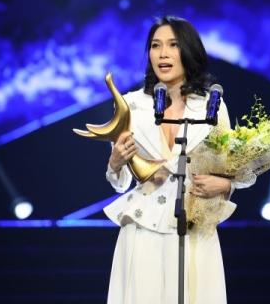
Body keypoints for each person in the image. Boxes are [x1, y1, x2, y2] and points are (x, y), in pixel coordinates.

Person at [103, 16, 252, 304]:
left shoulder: (211, 106)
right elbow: (119, 183)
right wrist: (115, 163)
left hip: (195, 228)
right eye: (155, 46)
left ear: (188, 51)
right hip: (144, 227)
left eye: (172, 45)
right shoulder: (131, 104)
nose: (163, 54)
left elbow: (237, 169)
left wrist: (225, 186)